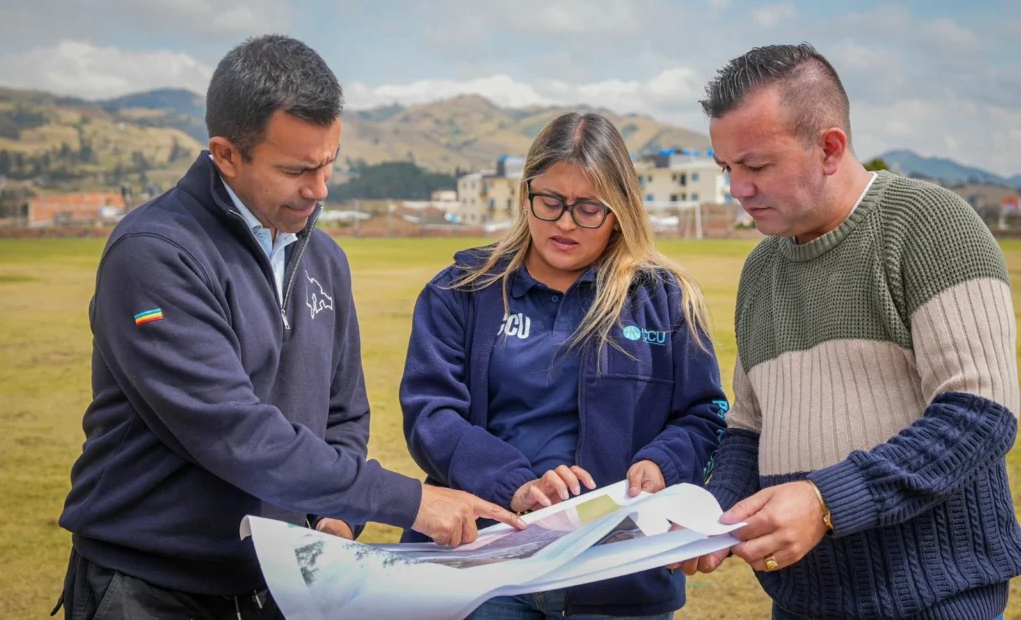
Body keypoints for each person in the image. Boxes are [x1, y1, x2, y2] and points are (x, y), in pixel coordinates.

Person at [53, 34, 522, 620]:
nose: (319, 189)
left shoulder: (325, 257)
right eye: (296, 169)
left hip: (282, 583)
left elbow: (342, 413)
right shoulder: (155, 254)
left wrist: (338, 516)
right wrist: (409, 501)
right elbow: (233, 432)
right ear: (226, 154)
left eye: (329, 162)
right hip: (151, 586)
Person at [678, 43, 1021, 619]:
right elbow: (748, 427)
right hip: (801, 601)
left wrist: (826, 502)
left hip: (935, 600)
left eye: (756, 167)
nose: (737, 189)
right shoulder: (761, 268)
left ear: (830, 148)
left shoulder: (931, 225)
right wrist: (713, 514)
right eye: (726, 168)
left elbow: (980, 415)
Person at [399, 112, 729, 619]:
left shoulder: (665, 299)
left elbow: (704, 414)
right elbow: (431, 415)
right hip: (486, 567)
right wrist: (514, 484)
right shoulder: (461, 290)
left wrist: (664, 463)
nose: (565, 223)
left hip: (619, 576)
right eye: (550, 202)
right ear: (525, 193)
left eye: (588, 208)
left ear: (619, 209)